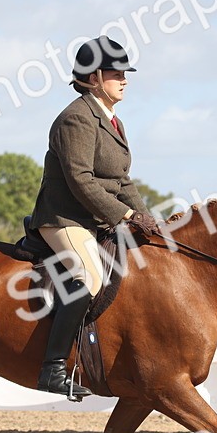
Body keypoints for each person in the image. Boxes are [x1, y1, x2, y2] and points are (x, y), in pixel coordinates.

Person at [28, 36, 159, 397]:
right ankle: (53, 368)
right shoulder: (76, 118)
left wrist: (148, 221)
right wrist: (124, 213)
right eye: (116, 73)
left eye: (124, 73)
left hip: (95, 219)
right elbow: (80, 180)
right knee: (89, 275)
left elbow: (121, 181)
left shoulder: (112, 120)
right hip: (64, 219)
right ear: (94, 78)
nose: (124, 80)